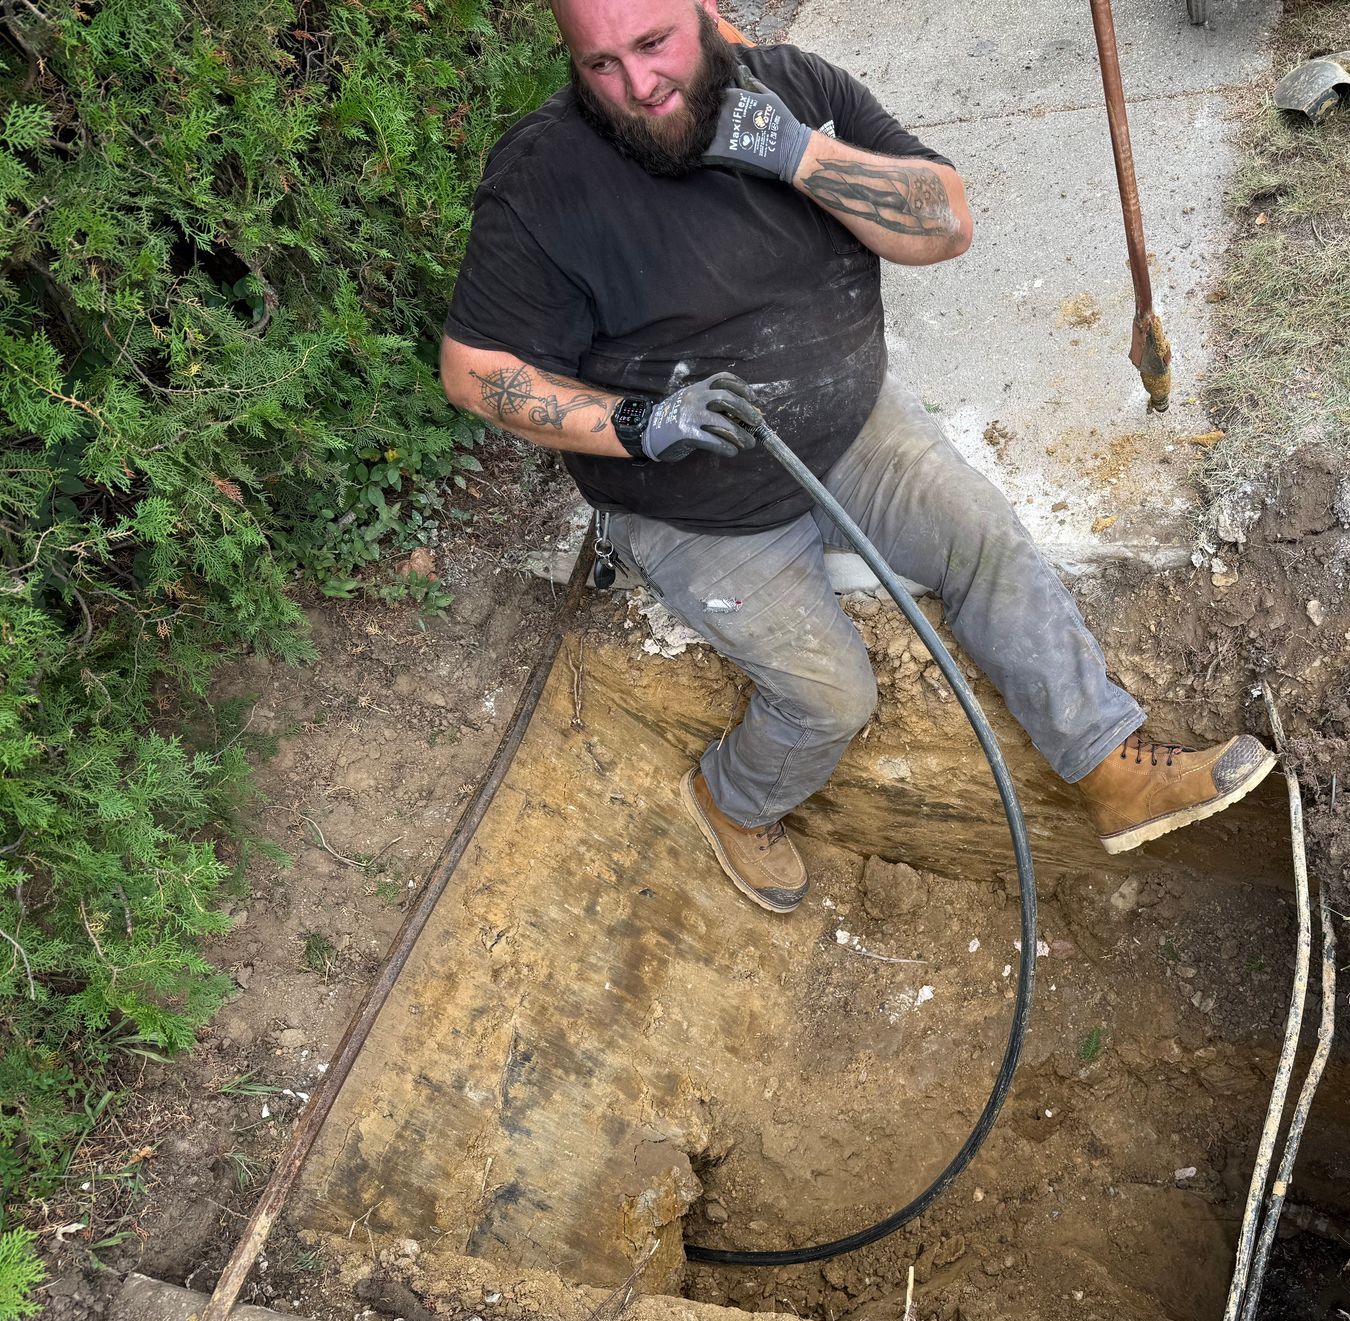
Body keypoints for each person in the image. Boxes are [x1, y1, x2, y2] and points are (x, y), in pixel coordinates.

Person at [439, 0, 1276, 913]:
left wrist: (798, 155)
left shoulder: (801, 93)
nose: (637, 87)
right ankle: (734, 801)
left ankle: (1112, 769)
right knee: (832, 698)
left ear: (706, 12)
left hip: (850, 428)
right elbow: (479, 373)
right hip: (691, 503)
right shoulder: (544, 178)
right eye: (601, 65)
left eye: (654, 45)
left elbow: (945, 223)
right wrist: (643, 425)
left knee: (981, 535)